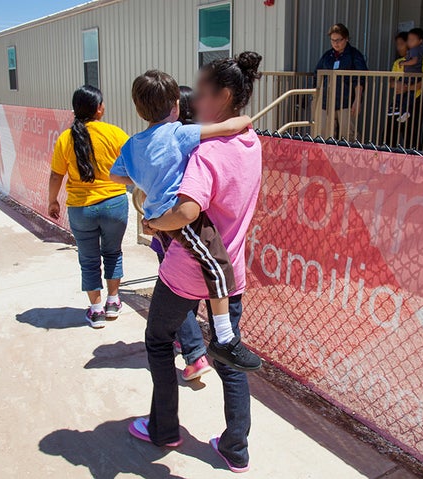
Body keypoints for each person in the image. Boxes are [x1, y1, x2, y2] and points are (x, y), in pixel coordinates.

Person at [127, 51, 263, 473]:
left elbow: (186, 213)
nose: (193, 104)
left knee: (157, 342)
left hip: (185, 273)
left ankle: (164, 429)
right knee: (228, 354)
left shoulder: (205, 154)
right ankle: (235, 447)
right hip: (230, 274)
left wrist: (152, 219)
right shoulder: (251, 142)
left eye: (201, 94)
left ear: (222, 96)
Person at [110, 70, 261, 372]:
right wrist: (245, 121)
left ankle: (205, 343)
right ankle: (224, 337)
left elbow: (114, 175)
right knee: (217, 264)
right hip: (180, 218)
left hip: (156, 214)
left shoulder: (131, 144)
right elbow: (222, 128)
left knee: (202, 264)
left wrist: (143, 178)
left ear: (138, 110)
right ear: (176, 106)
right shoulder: (177, 133)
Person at [48, 85, 129, 329]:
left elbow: (55, 175)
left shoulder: (65, 138)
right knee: (113, 253)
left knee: (89, 258)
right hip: (114, 204)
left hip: (81, 208)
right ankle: (113, 302)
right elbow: (134, 163)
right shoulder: (115, 133)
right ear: (99, 109)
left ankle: (96, 311)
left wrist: (52, 200)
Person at [149, 85, 212, 382]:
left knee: (176, 289)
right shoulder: (200, 143)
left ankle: (194, 353)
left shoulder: (172, 145)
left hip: (171, 229)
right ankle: (192, 346)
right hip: (202, 236)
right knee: (190, 292)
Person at [315, 23, 368, 141]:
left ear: (346, 38)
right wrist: (316, 98)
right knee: (325, 134)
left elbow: (360, 78)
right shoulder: (327, 55)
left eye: (338, 40)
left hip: (346, 101)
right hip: (327, 101)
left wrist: (357, 100)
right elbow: (317, 74)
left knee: (349, 134)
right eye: (332, 40)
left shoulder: (354, 55)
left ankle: (351, 158)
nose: (336, 43)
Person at [389, 28, 423, 123]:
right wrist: (398, 84)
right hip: (399, 99)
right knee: (389, 132)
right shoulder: (397, 62)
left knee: (410, 134)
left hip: (414, 102)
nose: (398, 48)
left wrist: (407, 88)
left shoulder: (422, 59)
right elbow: (391, 82)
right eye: (397, 45)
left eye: (401, 44)